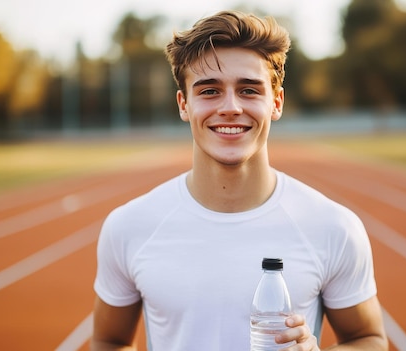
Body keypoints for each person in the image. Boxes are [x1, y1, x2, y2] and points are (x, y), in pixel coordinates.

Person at [91, 10, 388, 351]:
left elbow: (369, 339)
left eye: (248, 90)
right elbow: (108, 341)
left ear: (276, 102)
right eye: (209, 91)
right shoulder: (129, 227)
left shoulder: (334, 227)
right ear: (183, 104)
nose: (230, 107)